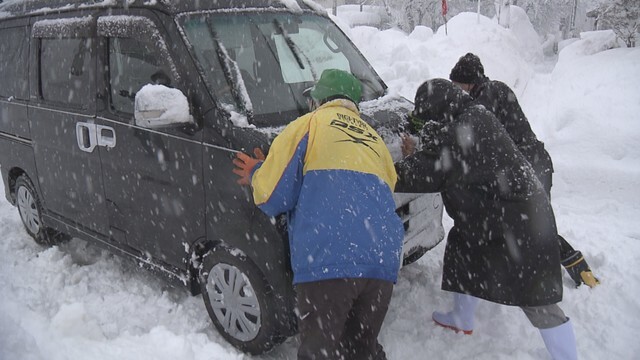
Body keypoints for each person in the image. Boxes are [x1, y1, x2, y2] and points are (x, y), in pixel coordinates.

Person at [396, 79, 577, 359]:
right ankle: (461, 318)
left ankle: (567, 355)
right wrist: (419, 148)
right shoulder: (471, 114)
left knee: (534, 295)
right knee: (464, 252)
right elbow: (446, 147)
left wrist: (386, 168)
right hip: (498, 213)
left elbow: (433, 170)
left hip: (521, 221)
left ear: (440, 108)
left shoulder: (468, 127)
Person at [232, 69, 404, 360]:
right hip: (382, 264)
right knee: (362, 348)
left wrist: (257, 172)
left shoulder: (308, 126)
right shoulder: (375, 141)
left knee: (319, 352)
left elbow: (271, 197)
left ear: (318, 100)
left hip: (329, 260)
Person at [447, 52, 599, 289]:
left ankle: (578, 270)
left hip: (527, 168)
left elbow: (471, 131)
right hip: (536, 162)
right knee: (531, 223)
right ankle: (536, 269)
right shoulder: (496, 89)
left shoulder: (486, 96)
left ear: (468, 81)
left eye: (458, 85)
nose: (458, 90)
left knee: (534, 226)